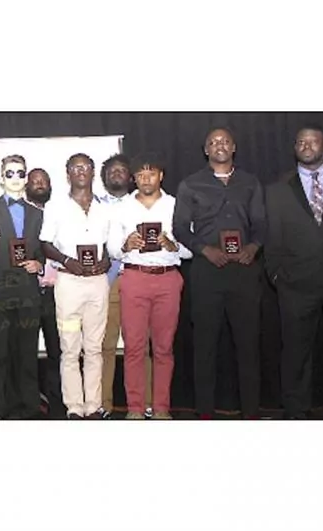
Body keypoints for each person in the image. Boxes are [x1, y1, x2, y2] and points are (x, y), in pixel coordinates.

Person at [174, 126, 266, 420]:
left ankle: (251, 412)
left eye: (225, 141)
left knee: (248, 345)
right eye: (213, 142)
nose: (220, 145)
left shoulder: (250, 183)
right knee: (205, 346)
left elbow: (261, 224)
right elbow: (179, 228)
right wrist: (204, 249)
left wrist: (253, 247)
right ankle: (205, 413)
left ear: (234, 147)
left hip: (244, 270)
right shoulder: (190, 184)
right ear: (206, 150)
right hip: (207, 271)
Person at [265, 124, 323, 419]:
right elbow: (272, 235)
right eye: (300, 142)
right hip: (295, 285)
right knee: (296, 354)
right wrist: (276, 274)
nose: (306, 146)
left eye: (313, 141)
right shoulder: (277, 188)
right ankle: (296, 414)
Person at [107, 154, 192, 420]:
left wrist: (173, 245)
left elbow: (191, 249)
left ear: (161, 176)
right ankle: (135, 407)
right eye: (141, 175)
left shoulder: (176, 205)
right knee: (134, 347)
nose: (146, 179)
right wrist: (126, 244)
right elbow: (111, 249)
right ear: (134, 178)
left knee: (164, 348)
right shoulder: (122, 208)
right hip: (134, 278)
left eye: (151, 173)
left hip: (167, 278)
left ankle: (161, 408)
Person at [40, 154, 112, 419]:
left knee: (94, 348)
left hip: (97, 284)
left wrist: (106, 261)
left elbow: (111, 246)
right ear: (67, 173)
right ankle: (74, 407)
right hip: (69, 284)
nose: (81, 171)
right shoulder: (55, 207)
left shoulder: (105, 208)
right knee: (70, 348)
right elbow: (45, 244)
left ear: (93, 172)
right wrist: (67, 261)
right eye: (76, 167)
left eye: (86, 167)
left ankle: (93, 405)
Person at [0, 155, 44, 419]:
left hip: (28, 290)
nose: (15, 178)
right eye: (10, 173)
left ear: (26, 177)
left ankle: (29, 406)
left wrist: (39, 263)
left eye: (20, 173)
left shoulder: (37, 213)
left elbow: (42, 248)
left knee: (27, 351)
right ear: (1, 177)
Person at [96, 154, 154, 419]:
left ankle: (145, 403)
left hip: (138, 279)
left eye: (121, 170)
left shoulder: (142, 204)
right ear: (104, 177)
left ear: (130, 177)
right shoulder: (94, 205)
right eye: (111, 171)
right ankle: (103, 404)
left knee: (140, 346)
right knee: (104, 346)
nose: (116, 174)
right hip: (105, 282)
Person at [25, 168, 65, 419]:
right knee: (27, 352)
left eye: (44, 181)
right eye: (34, 181)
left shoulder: (60, 212)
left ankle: (58, 404)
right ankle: (31, 403)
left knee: (58, 352)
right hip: (27, 292)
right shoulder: (21, 217)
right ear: (26, 186)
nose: (39, 184)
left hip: (56, 292)